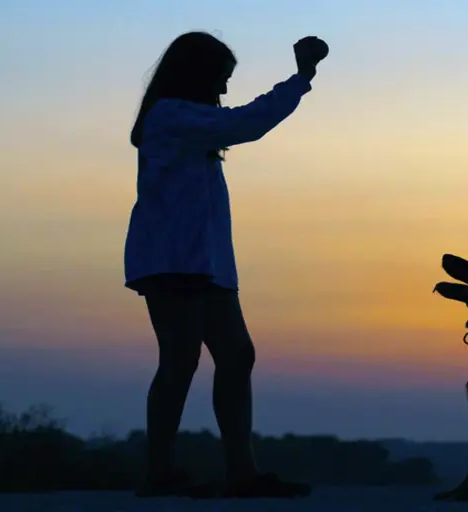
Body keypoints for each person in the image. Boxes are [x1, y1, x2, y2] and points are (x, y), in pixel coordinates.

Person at [123, 31, 329, 499]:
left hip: (203, 261)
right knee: (180, 360)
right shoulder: (172, 116)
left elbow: (238, 124)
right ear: (197, 76)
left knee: (237, 355)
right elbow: (247, 123)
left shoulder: (187, 121)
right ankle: (159, 473)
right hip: (173, 260)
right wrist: (301, 78)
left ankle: (242, 472)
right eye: (221, 79)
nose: (223, 91)